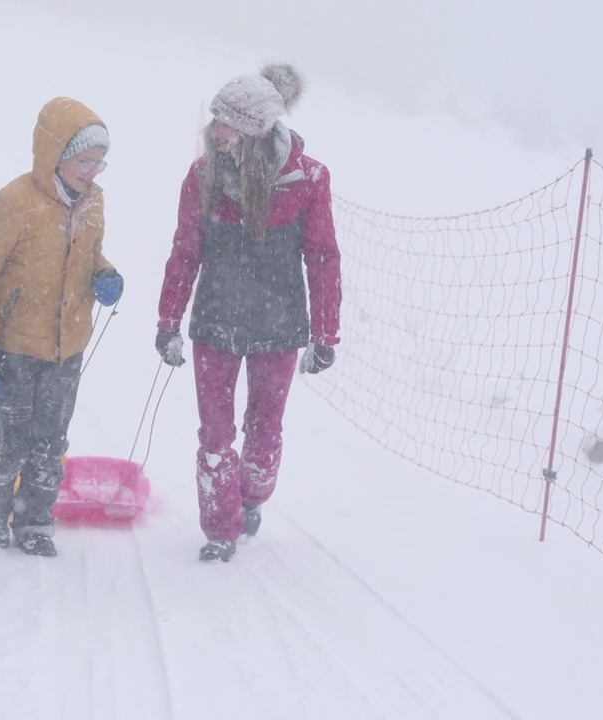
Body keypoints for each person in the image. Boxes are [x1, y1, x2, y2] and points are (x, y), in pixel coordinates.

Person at [155, 63, 341, 563]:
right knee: (215, 434)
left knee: (265, 429)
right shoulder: (202, 176)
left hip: (278, 326)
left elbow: (322, 256)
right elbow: (185, 248)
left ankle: (253, 497)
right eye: (215, 121)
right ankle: (220, 529)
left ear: (256, 132)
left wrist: (326, 333)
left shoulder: (308, 179)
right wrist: (168, 321)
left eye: (226, 124)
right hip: (215, 322)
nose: (215, 133)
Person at [0, 97, 123, 558]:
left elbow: (90, 256)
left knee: (50, 442)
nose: (91, 172)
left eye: (98, 163)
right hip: (15, 346)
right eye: (83, 160)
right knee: (11, 440)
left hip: (67, 346)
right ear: (55, 155)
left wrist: (104, 275)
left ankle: (34, 520)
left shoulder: (93, 202)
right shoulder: (15, 202)